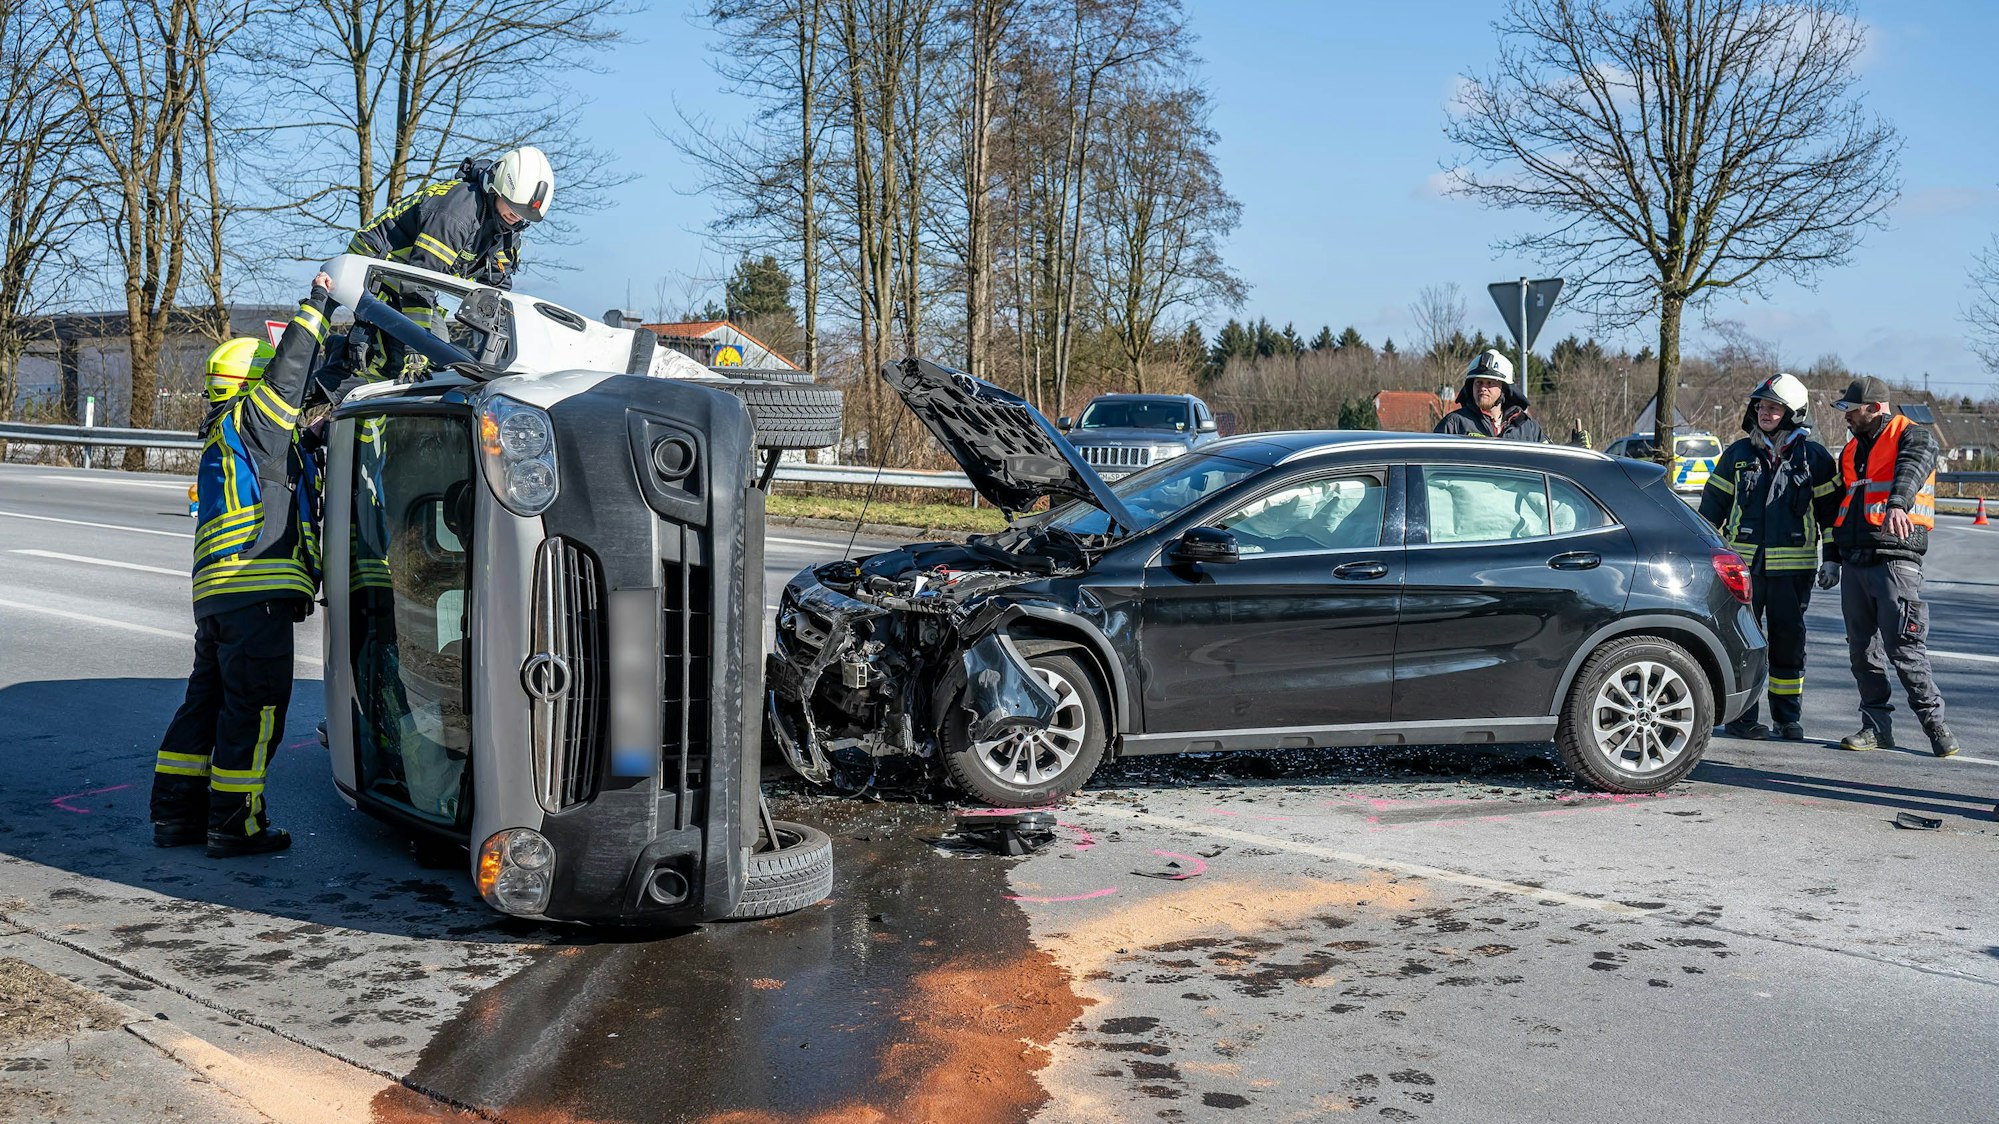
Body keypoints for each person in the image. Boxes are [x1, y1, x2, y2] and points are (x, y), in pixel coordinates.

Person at [149, 273, 335, 858]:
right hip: (256, 591)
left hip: (221, 596)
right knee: (254, 710)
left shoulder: (225, 434)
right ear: (253, 386)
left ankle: (176, 816)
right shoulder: (256, 420)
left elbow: (286, 457)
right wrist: (318, 306)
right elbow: (289, 372)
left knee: (204, 704)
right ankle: (236, 824)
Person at [331, 145, 554, 390]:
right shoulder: (457, 212)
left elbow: (497, 301)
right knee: (395, 360)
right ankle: (322, 393)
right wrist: (416, 347)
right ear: (495, 188)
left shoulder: (508, 236)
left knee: (440, 355)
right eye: (512, 206)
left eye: (523, 215)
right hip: (379, 265)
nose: (516, 217)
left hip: (415, 277)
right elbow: (418, 279)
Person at [1820, 375, 1958, 757]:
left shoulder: (1912, 436)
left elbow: (1913, 467)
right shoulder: (1848, 453)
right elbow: (1838, 510)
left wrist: (1898, 503)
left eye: (1850, 410)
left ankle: (1936, 726)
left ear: (1874, 408)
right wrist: (1831, 558)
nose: (1845, 417)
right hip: (1855, 563)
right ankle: (1876, 727)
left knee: (1905, 648)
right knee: (1862, 653)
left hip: (1896, 560)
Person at [1698, 373, 1840, 740]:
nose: (1765, 412)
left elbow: (1831, 514)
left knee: (1788, 643)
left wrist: (1833, 559)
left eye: (1774, 407)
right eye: (1761, 405)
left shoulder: (1816, 458)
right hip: (1742, 572)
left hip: (1794, 574)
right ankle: (1743, 718)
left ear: (1793, 413)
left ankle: (1787, 719)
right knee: (1744, 643)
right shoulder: (1737, 455)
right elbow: (1710, 511)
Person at [1434, 349, 1547, 442]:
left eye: (1490, 383)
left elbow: (1549, 463)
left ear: (1504, 389)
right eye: (1478, 382)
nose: (1483, 388)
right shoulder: (1454, 424)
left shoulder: (1529, 428)